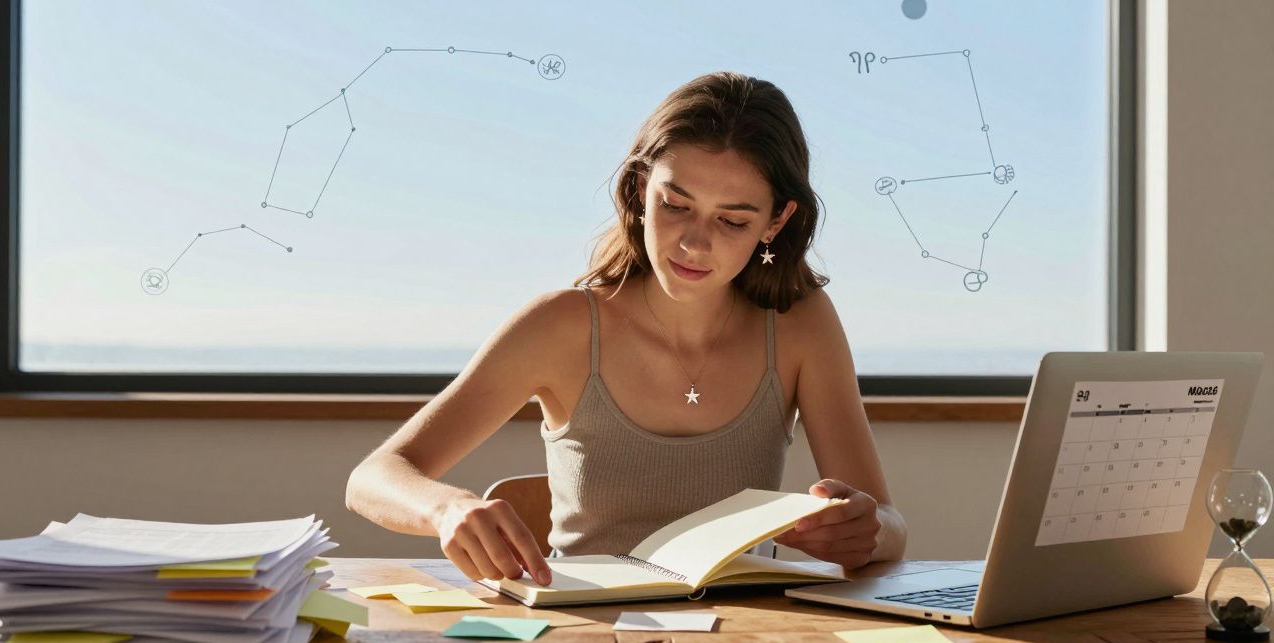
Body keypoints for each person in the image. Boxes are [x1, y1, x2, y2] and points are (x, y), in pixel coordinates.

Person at [346, 72, 907, 587]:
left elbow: (888, 521)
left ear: (776, 222)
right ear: (641, 188)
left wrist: (868, 531)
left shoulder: (800, 324)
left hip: (746, 640)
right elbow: (373, 476)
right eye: (676, 204)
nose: (694, 243)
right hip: (584, 639)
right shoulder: (561, 326)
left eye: (732, 221)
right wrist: (448, 509)